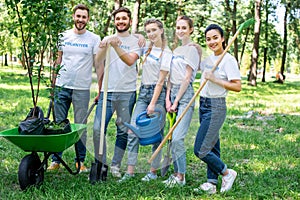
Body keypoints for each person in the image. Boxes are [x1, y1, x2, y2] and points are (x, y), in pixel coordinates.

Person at [48, 4, 101, 172]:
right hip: (61, 87)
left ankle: (80, 161)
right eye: (78, 16)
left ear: (88, 19)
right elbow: (57, 60)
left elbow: (98, 65)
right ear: (73, 17)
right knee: (58, 125)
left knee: (80, 126)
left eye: (84, 17)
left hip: (81, 89)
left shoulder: (94, 39)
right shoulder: (63, 36)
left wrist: (100, 89)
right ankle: (55, 161)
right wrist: (53, 84)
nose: (80, 20)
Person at [119, 18, 172, 182]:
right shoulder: (147, 49)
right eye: (148, 31)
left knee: (156, 134)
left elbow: (161, 81)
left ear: (161, 30)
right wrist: (138, 35)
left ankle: (153, 172)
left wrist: (153, 104)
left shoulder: (166, 52)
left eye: (154, 30)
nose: (151, 34)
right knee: (133, 130)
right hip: (143, 93)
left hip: (158, 94)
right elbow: (130, 38)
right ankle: (130, 172)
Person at [92, 7, 142, 178]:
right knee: (98, 128)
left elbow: (130, 61)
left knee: (122, 131)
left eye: (124, 18)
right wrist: (103, 46)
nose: (120, 21)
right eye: (117, 19)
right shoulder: (108, 39)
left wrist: (115, 46)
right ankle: (101, 163)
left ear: (129, 21)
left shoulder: (137, 41)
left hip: (127, 93)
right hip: (108, 91)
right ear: (114, 21)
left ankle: (115, 165)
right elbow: (98, 63)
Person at [193, 24, 241, 194]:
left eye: (215, 37)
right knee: (212, 145)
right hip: (204, 104)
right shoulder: (208, 60)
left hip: (216, 106)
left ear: (222, 39)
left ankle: (227, 172)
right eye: (208, 39)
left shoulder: (228, 60)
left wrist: (215, 79)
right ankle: (211, 183)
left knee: (200, 149)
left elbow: (237, 86)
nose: (212, 41)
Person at [162, 16, 201, 187]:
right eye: (178, 27)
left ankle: (181, 176)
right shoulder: (176, 50)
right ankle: (175, 173)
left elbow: (186, 78)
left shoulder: (192, 50)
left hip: (185, 96)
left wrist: (176, 101)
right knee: (171, 138)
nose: (180, 31)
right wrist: (167, 98)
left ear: (191, 29)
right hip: (173, 94)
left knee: (177, 138)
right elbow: (170, 77)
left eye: (184, 27)